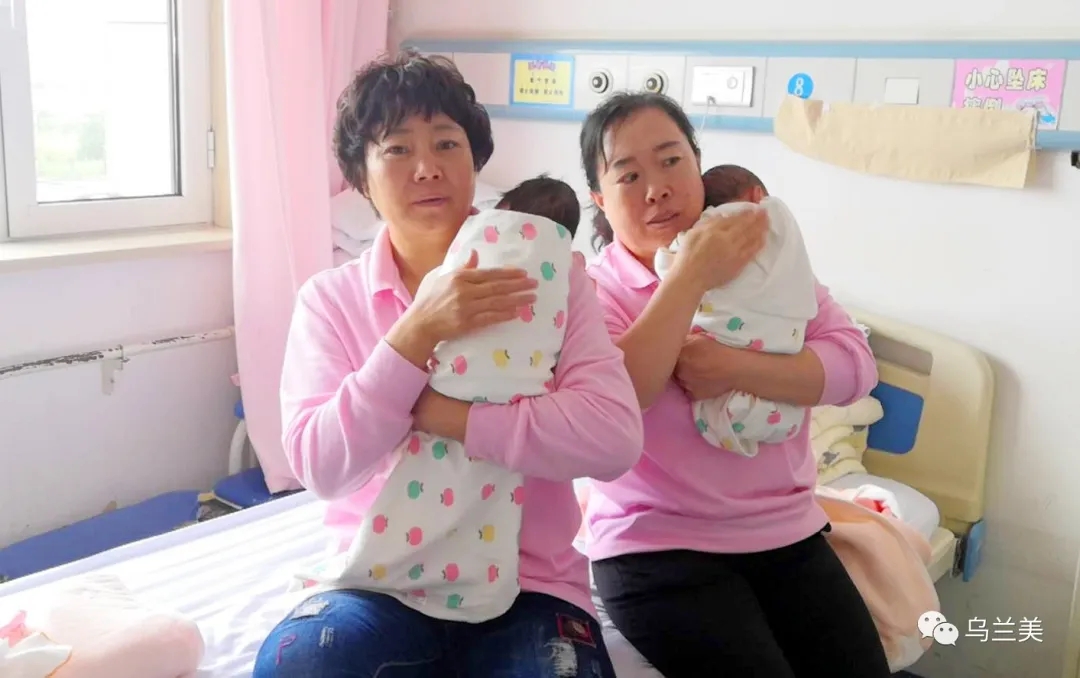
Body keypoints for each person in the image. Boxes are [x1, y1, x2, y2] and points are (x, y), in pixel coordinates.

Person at [253, 52, 643, 677]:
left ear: (474, 159)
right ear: (360, 178)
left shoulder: (551, 279)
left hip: (530, 585)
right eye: (397, 149)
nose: (428, 167)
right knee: (299, 665)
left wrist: (440, 413)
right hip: (378, 581)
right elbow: (320, 465)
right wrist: (416, 333)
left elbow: (613, 438)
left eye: (446, 143)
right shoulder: (330, 300)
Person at [578, 91, 892, 677]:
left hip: (787, 534)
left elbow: (856, 367)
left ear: (697, 164)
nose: (657, 188)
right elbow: (620, 399)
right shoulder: (595, 291)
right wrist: (691, 274)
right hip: (658, 549)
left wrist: (732, 368)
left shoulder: (761, 254)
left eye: (671, 161)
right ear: (600, 197)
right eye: (629, 175)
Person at [653, 165, 818, 457]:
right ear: (757, 194)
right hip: (782, 342)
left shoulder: (701, 236)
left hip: (729, 348)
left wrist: (734, 368)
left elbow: (669, 266)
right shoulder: (779, 229)